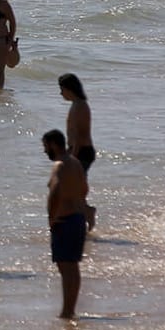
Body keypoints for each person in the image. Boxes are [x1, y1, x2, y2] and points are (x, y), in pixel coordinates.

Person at [43, 129, 90, 320]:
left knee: (65, 268)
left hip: (65, 220)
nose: (45, 151)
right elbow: (85, 188)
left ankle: (67, 311)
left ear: (53, 144)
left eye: (45, 147)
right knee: (73, 267)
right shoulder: (75, 163)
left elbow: (55, 190)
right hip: (79, 218)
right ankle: (70, 309)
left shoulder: (59, 165)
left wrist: (51, 218)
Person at [59, 73, 97, 230]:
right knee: (71, 188)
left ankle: (86, 212)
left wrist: (72, 158)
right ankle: (83, 214)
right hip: (75, 150)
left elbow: (80, 136)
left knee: (73, 189)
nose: (61, 93)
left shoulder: (80, 106)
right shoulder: (76, 104)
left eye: (62, 90)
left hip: (82, 152)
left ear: (70, 89)